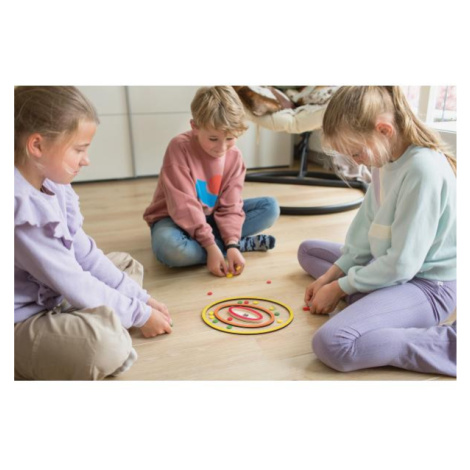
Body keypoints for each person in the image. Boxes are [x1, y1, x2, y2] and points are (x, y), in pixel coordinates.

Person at [14, 86, 172, 381]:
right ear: (37, 145)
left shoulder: (51, 181)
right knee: (105, 345)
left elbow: (84, 254)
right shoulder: (20, 208)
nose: (86, 159)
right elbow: (72, 279)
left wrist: (141, 299)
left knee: (125, 264)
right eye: (79, 149)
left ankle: (95, 317)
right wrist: (139, 315)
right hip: (21, 320)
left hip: (53, 294)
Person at [297, 86, 457, 377]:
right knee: (308, 252)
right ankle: (373, 300)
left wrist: (340, 287)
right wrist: (330, 277)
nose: (356, 161)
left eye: (356, 152)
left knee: (333, 344)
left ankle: (448, 342)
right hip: (391, 266)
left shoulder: (422, 170)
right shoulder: (386, 157)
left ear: (384, 130)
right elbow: (363, 231)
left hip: (428, 285)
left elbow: (402, 265)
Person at [143, 86, 280, 277]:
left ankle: (228, 245)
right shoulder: (179, 148)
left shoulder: (234, 156)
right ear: (195, 127)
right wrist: (210, 245)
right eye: (213, 138)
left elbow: (230, 205)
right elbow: (183, 206)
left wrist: (231, 243)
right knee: (170, 249)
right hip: (173, 218)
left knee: (270, 207)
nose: (221, 148)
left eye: (230, 138)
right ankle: (230, 246)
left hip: (212, 216)